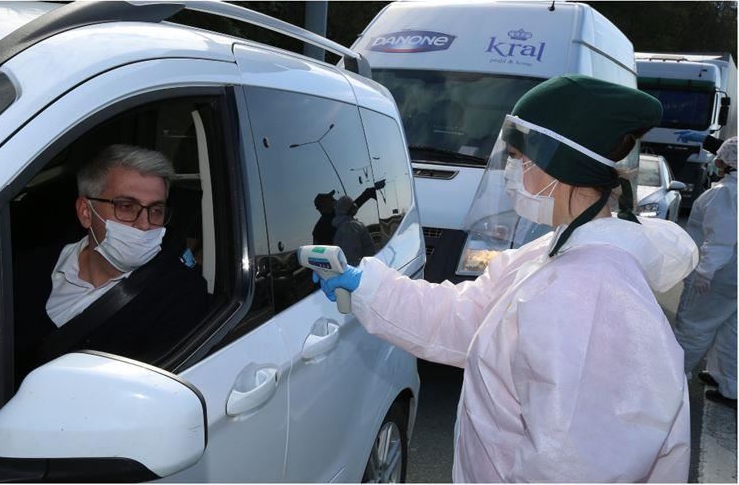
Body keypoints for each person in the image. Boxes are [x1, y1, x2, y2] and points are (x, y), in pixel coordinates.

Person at [314, 75, 699, 482]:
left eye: (518, 157)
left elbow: (569, 468)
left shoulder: (592, 296)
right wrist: (369, 287)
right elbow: (467, 316)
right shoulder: (554, 252)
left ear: (559, 164)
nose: (509, 171)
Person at [17, 145, 208, 373]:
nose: (145, 224)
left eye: (156, 210)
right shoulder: (26, 268)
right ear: (86, 212)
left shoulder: (180, 295)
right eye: (126, 207)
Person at [673, 137, 737, 408]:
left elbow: (721, 240)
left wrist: (704, 273)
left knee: (693, 328)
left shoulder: (724, 193)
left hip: (719, 275)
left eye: (720, 156)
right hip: (733, 277)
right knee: (730, 331)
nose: (716, 160)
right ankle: (730, 386)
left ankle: (671, 384)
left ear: (726, 162)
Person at [332, 195, 375, 266]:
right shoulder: (350, 226)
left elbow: (351, 257)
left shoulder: (348, 226)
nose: (354, 207)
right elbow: (352, 258)